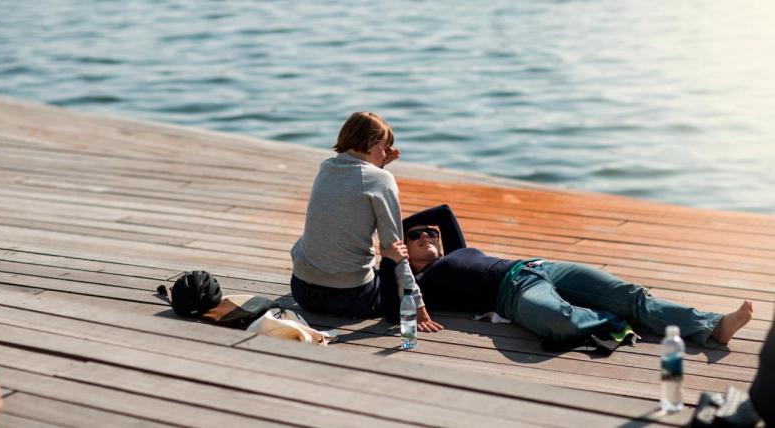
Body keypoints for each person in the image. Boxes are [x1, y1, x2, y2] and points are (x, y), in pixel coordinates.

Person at [379, 204, 753, 347]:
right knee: (557, 321)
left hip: (541, 266)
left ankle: (712, 325)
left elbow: (443, 212)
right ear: (405, 250)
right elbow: (389, 303)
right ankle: (615, 321)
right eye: (415, 235)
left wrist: (413, 228)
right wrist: (389, 247)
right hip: (511, 294)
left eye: (431, 234)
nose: (427, 235)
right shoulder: (420, 286)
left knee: (630, 292)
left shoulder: (456, 250)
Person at [290, 112, 443, 332]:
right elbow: (396, 248)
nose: (386, 153)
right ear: (372, 144)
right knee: (398, 270)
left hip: (302, 290)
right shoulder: (381, 179)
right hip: (348, 298)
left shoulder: (327, 167)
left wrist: (378, 164)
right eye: (384, 147)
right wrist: (418, 306)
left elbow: (358, 184)